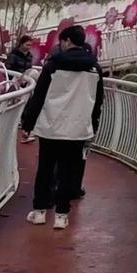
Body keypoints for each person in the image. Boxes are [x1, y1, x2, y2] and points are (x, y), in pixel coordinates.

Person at [21, 25, 104, 230]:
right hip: (78, 127)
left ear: (66, 41)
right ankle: (61, 215)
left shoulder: (52, 66)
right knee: (69, 171)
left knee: (46, 169)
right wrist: (93, 125)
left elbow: (39, 96)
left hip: (51, 125)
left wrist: (28, 123)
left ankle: (40, 211)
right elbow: (97, 101)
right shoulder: (95, 68)